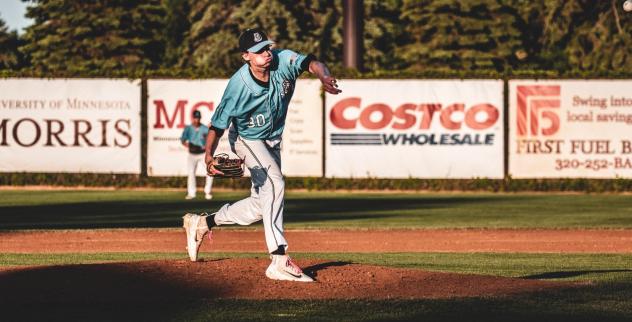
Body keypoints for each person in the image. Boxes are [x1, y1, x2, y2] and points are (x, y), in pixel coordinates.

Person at [182, 27, 341, 282]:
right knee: (275, 182)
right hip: (246, 140)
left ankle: (203, 223)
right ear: (246, 56)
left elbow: (312, 63)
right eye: (258, 51)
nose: (266, 53)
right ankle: (278, 259)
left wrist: (324, 76)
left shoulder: (282, 60)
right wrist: (209, 156)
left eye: (267, 47)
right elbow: (217, 125)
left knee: (261, 204)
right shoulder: (238, 86)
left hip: (271, 141)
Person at [180, 110, 214, 200]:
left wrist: (206, 147)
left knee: (209, 171)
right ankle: (191, 193)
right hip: (192, 154)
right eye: (195, 118)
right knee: (191, 173)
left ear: (200, 118)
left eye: (198, 118)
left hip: (202, 153)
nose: (196, 120)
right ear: (193, 118)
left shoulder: (204, 128)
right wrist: (189, 145)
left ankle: (208, 192)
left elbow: (210, 139)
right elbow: (183, 140)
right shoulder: (188, 128)